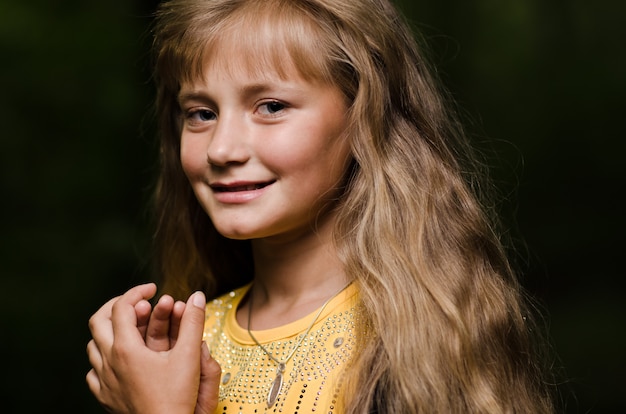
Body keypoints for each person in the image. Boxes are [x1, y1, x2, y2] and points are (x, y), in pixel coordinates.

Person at [86, 0, 557, 412]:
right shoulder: (182, 347)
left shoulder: (424, 335)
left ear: (363, 117)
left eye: (270, 106)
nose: (221, 149)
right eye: (201, 113)